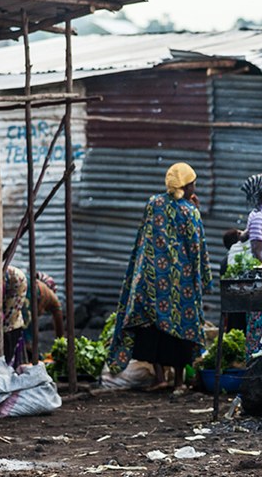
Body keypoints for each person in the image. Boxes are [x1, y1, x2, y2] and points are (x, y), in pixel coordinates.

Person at [107, 162, 212, 394]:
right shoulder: (189, 211)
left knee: (153, 328)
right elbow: (197, 245)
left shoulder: (154, 203)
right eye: (194, 183)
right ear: (187, 185)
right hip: (180, 283)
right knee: (181, 329)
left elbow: (143, 236)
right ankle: (178, 383)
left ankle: (159, 378)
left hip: (151, 279)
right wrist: (202, 278)